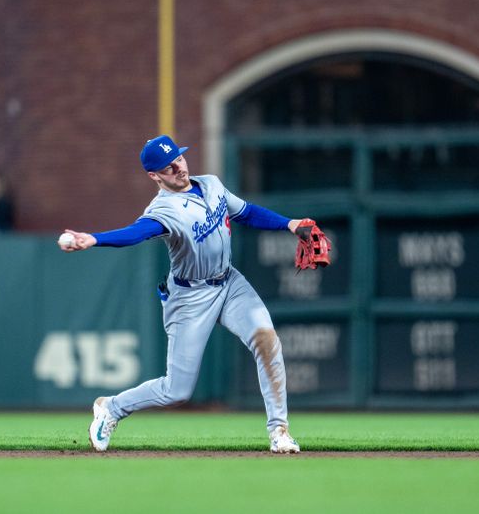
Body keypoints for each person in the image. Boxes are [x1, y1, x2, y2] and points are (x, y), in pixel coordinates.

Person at [61, 135, 309, 454]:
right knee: (176, 391)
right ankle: (111, 407)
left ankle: (279, 431)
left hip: (230, 282)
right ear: (155, 176)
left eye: (178, 158)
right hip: (190, 297)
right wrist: (94, 239)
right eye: (168, 166)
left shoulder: (211, 184)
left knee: (266, 339)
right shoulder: (164, 209)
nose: (178, 166)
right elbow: (136, 233)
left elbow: (245, 212)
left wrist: (290, 224)